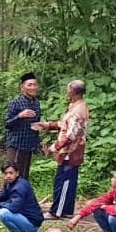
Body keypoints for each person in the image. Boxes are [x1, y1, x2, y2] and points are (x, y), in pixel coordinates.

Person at [34, 79, 89, 218]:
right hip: (69, 151)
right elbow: (65, 125)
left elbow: (70, 135)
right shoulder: (75, 106)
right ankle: (67, 211)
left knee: (63, 182)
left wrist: (54, 147)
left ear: (74, 91)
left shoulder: (78, 110)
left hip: (70, 152)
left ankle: (57, 212)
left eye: (68, 89)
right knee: (67, 181)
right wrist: (48, 125)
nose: (66, 91)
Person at [2, 72, 43, 177]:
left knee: (24, 176)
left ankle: (21, 194)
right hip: (16, 145)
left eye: (35, 84)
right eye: (29, 85)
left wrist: (39, 142)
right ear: (22, 87)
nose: (32, 87)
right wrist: (20, 116)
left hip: (29, 146)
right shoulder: (15, 103)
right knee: (12, 175)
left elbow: (35, 125)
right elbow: (7, 123)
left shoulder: (36, 103)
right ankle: (7, 193)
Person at [0, 162, 43, 232]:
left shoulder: (20, 186)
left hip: (32, 224)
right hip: (24, 218)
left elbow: (14, 208)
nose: (8, 176)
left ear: (17, 173)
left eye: (11, 173)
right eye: (5, 173)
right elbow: (4, 195)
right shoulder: (9, 183)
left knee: (3, 213)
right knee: (4, 210)